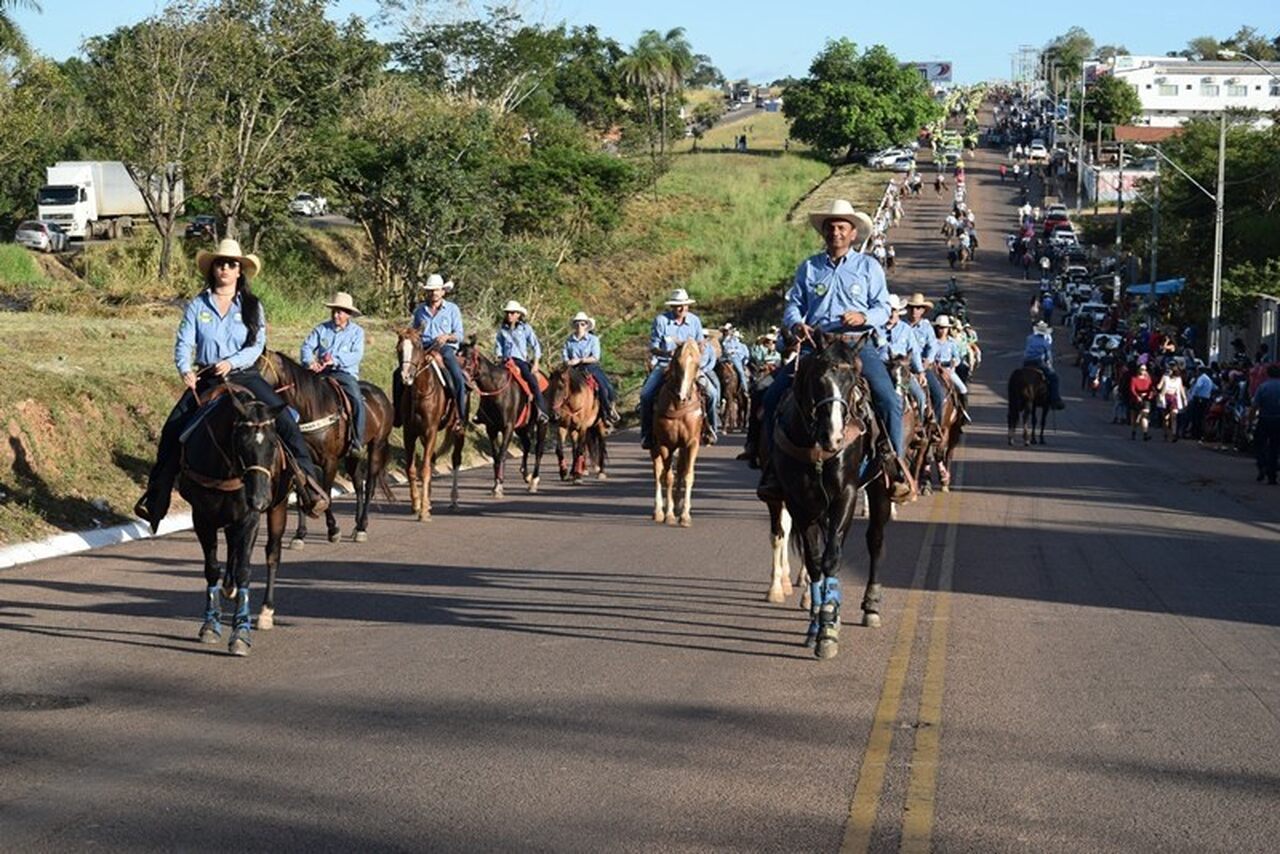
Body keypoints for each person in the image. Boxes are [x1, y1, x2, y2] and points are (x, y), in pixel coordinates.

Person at [133, 238, 329, 533]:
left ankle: (308, 484)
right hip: (208, 377)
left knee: (286, 420)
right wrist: (185, 369)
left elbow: (257, 344)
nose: (225, 268)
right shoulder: (197, 305)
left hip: (246, 375)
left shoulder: (252, 306)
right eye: (220, 264)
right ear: (212, 269)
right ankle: (157, 497)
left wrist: (232, 362)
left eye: (231, 264)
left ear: (240, 271)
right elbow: (184, 340)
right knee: (173, 427)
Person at [741, 198, 911, 502]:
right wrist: (796, 325)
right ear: (824, 233)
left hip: (856, 345)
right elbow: (794, 305)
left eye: (842, 227)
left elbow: (884, 306)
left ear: (853, 233)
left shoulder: (868, 266)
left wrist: (864, 317)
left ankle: (895, 466)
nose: (836, 232)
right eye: (831, 227)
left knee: (888, 398)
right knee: (772, 394)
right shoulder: (809, 267)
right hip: (816, 345)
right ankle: (770, 470)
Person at [300, 291, 367, 456]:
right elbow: (306, 347)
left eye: (340, 312)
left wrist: (335, 360)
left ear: (348, 314)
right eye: (334, 311)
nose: (336, 315)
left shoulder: (357, 332)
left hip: (344, 373)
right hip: (321, 372)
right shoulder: (322, 329)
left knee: (356, 399)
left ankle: (357, 441)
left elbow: (356, 355)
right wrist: (310, 362)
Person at [639, 288, 706, 449]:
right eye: (678, 306)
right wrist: (667, 352)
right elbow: (653, 347)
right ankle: (647, 433)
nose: (682, 309)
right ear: (672, 307)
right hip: (666, 364)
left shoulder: (695, 321)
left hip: (690, 367)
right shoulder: (661, 321)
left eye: (685, 305)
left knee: (713, 392)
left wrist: (698, 352)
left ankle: (708, 430)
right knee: (646, 395)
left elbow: (700, 342)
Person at [407, 274, 466, 433]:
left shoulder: (452, 309)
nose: (434, 293)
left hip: (445, 347)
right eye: (431, 290)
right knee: (400, 373)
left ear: (443, 292)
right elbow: (415, 331)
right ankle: (399, 415)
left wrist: (447, 337)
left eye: (437, 290)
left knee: (458, 378)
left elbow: (459, 334)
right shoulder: (420, 311)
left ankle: (460, 417)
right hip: (424, 347)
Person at [495, 299, 549, 425]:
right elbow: (498, 346)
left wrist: (536, 363)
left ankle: (541, 411)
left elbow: (536, 346)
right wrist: (498, 356)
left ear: (518, 314)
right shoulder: (502, 330)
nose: (509, 315)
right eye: (508, 313)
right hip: (505, 361)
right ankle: (483, 412)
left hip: (520, 361)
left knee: (532, 382)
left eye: (512, 313)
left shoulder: (525, 328)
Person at [561, 311, 618, 423]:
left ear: (587, 325)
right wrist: (568, 362)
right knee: (559, 386)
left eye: (582, 324)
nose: (579, 326)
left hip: (590, 366)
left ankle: (607, 411)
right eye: (577, 324)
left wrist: (581, 360)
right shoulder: (569, 341)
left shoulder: (593, 339)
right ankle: (558, 414)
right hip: (573, 369)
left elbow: (595, 357)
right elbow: (564, 356)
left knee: (604, 386)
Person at [880, 294, 928, 422]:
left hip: (902, 370)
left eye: (894, 311)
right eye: (888, 310)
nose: (891, 314)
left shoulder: (906, 329)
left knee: (920, 396)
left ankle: (920, 426)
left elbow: (915, 351)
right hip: (881, 370)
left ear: (899, 312)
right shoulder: (875, 328)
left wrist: (920, 372)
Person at [904, 293, 944, 427]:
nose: (915, 311)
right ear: (908, 309)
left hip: (922, 366)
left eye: (918, 308)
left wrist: (927, 361)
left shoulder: (926, 328)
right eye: (912, 308)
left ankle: (936, 426)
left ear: (923, 310)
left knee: (938, 394)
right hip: (902, 366)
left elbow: (933, 346)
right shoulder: (901, 326)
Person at [932, 315, 971, 422]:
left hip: (949, 370)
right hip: (935, 370)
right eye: (940, 328)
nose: (942, 330)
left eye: (944, 328)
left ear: (948, 328)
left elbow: (957, 358)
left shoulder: (952, 343)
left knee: (963, 388)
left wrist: (954, 364)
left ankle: (963, 414)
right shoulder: (933, 342)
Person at [1024, 320, 1065, 409]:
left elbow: (1026, 349)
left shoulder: (1029, 338)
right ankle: (1055, 399)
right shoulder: (1045, 342)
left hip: (1026, 361)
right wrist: (1050, 365)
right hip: (1038, 362)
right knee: (1054, 379)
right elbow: (1048, 356)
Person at [1251, 364, 1280, 484]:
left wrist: (1250, 420)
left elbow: (1255, 405)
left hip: (1264, 419)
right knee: (1275, 447)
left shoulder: (1263, 387)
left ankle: (1262, 465)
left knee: (1259, 444)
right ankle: (1272, 475)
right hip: (1278, 420)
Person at [1155, 364, 1186, 442]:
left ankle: (1174, 434)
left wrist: (1184, 398)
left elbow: (1181, 388)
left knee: (1174, 416)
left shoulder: (1178, 379)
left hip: (1174, 398)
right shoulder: (1165, 377)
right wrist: (1158, 386)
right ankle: (1166, 433)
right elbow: (1159, 386)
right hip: (1165, 398)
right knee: (1165, 418)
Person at [720, 323, 751, 395]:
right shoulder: (721, 340)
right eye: (725, 331)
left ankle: (744, 389)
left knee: (740, 371)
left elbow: (738, 349)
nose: (726, 332)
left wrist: (733, 351)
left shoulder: (734, 340)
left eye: (727, 330)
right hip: (724, 358)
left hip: (733, 357)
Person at [1186, 366, 1215, 440]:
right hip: (1206, 399)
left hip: (1199, 399)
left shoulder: (1201, 378)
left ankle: (1195, 434)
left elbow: (1197, 387)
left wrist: (1192, 396)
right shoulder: (1208, 379)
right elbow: (1214, 387)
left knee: (1196, 417)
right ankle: (1200, 434)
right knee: (1202, 416)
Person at [1129, 362, 1155, 440]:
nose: (1143, 371)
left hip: (1146, 399)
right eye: (1142, 369)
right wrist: (1137, 396)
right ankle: (1133, 431)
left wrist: (1150, 394)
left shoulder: (1148, 379)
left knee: (1145, 415)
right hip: (1136, 399)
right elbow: (1132, 389)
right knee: (1135, 418)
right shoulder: (1134, 379)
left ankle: (1145, 433)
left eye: (1145, 369)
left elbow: (1151, 388)